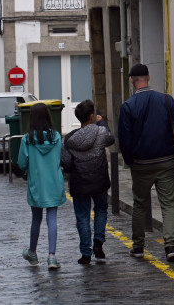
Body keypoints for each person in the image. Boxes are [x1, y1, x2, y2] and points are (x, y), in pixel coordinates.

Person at [118, 63, 174, 262]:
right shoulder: (166, 100)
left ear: (131, 80)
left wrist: (131, 161)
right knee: (168, 204)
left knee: (140, 204)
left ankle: (138, 246)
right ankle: (170, 246)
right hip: (165, 161)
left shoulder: (128, 106)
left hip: (141, 163)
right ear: (149, 77)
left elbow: (125, 139)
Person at [61, 99, 115, 265]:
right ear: (92, 116)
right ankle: (98, 241)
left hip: (80, 183)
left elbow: (66, 163)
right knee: (101, 209)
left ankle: (86, 253)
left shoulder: (70, 140)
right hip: (99, 181)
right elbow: (111, 139)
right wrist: (103, 122)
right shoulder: (100, 132)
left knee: (82, 218)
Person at [17, 103, 66, 270]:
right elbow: (60, 158)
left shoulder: (27, 139)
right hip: (54, 182)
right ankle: (52, 257)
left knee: (36, 219)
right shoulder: (57, 137)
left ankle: (32, 252)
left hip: (36, 185)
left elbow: (22, 163)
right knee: (52, 219)